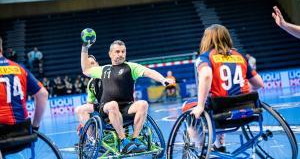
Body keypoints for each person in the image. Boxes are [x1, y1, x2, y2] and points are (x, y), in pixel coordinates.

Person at [81, 40, 174, 154]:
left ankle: (134, 140)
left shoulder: (130, 67)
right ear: (110, 54)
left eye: (123, 51)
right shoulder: (103, 69)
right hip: (106, 109)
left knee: (143, 104)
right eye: (117, 51)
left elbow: (149, 72)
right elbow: (85, 70)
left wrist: (163, 80)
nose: (121, 54)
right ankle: (123, 141)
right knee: (113, 105)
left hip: (126, 108)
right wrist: (85, 48)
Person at [182, 24, 264, 152]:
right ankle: (220, 144)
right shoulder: (240, 57)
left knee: (187, 105)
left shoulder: (205, 58)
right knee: (220, 102)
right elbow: (259, 83)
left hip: (220, 110)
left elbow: (206, 76)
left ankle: (201, 146)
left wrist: (200, 105)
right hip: (247, 110)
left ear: (206, 39)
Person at [0, 36, 48, 130]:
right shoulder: (20, 68)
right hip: (23, 133)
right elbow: (43, 94)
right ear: (1, 48)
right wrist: (35, 126)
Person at [75, 55, 102, 134]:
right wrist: (82, 122)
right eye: (88, 65)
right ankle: (91, 138)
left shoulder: (106, 74)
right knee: (80, 110)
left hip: (113, 104)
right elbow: (89, 103)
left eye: (92, 63)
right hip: (101, 107)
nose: (91, 66)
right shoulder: (90, 83)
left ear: (97, 64)